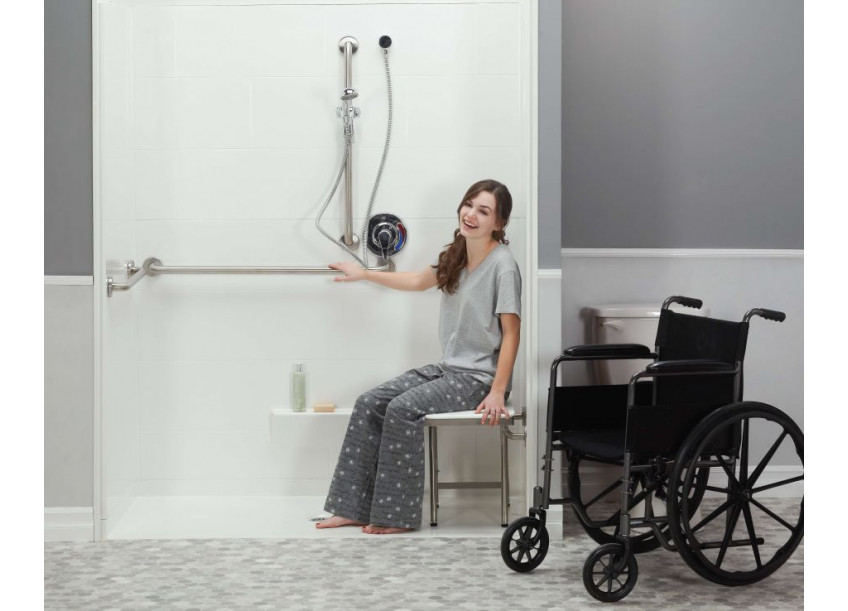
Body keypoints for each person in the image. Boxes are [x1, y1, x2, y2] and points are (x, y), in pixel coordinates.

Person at [316, 179, 521, 534]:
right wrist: (363, 273)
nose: (470, 214)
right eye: (468, 204)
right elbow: (415, 281)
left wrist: (498, 391)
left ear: (498, 224)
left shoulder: (503, 264)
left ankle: (396, 515)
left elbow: (512, 333)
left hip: (478, 379)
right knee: (370, 402)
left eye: (483, 211)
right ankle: (354, 508)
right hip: (448, 370)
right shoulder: (458, 253)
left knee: (401, 409)